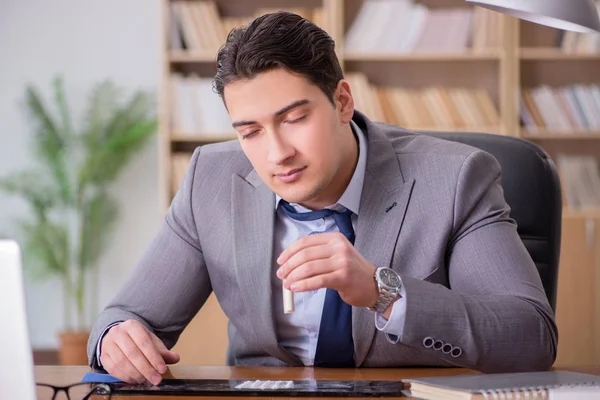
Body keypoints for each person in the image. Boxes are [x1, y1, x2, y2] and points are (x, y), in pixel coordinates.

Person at [87, 11, 557, 385]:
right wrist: (115, 338)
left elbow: (530, 336)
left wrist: (383, 291)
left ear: (342, 102)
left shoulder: (454, 177)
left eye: (294, 119)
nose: (276, 154)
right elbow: (125, 316)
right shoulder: (210, 179)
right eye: (250, 131)